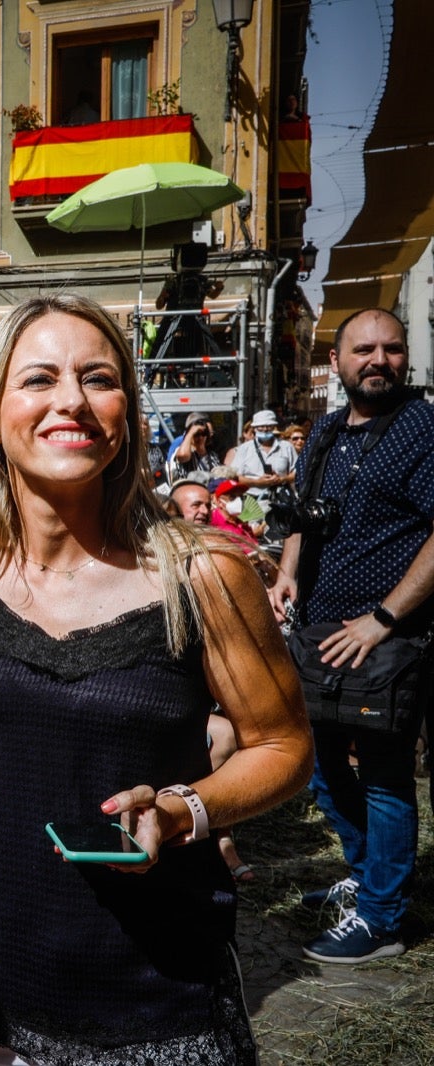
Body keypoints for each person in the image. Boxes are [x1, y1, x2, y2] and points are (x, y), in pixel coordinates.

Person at [0, 292, 311, 1063]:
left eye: (98, 378)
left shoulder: (204, 573)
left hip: (154, 991)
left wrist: (184, 810)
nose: (71, 402)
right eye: (39, 379)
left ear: (126, 416)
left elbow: (284, 746)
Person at [266, 307, 434, 964]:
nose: (378, 360)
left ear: (406, 357)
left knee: (386, 776)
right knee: (322, 767)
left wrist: (384, 617)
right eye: (363, 349)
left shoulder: (422, 428)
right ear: (336, 362)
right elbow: (303, 512)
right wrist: (285, 572)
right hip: (318, 628)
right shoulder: (329, 431)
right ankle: (369, 881)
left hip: (389, 634)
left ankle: (384, 921)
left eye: (392, 349)